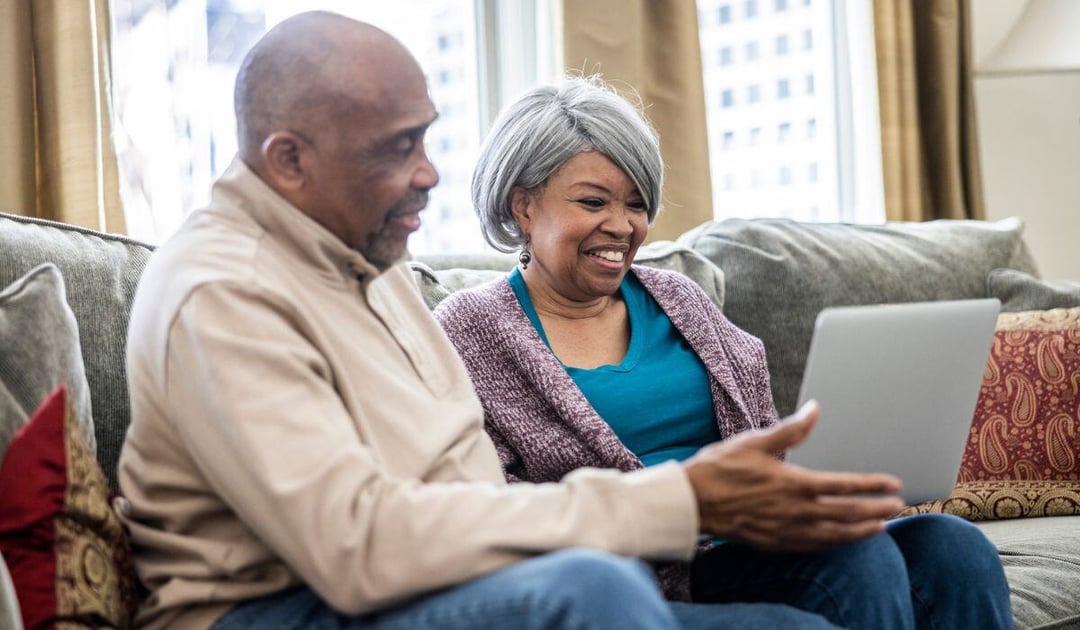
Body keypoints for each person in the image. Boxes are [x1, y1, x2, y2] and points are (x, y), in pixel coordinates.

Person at [117, 11, 916, 630]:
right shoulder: (221, 292)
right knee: (590, 585)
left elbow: (451, 481)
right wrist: (677, 503)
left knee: (917, 558)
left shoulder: (365, 257)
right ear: (288, 159)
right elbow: (354, 546)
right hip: (273, 609)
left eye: (426, 139)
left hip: (429, 574)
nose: (429, 174)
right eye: (397, 149)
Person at [433, 75, 1014, 629]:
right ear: (523, 206)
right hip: (634, 574)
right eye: (593, 202)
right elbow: (490, 508)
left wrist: (814, 489)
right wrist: (679, 509)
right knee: (860, 562)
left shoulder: (678, 299)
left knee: (951, 546)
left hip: (750, 546)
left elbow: (765, 439)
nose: (621, 226)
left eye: (636, 204)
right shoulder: (470, 329)